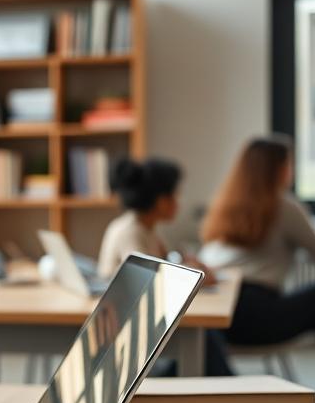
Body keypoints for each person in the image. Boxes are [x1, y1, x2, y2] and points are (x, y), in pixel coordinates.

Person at [199, 135, 315, 391]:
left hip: (220, 315)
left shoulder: (228, 203)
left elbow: (300, 250)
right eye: (289, 164)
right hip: (255, 314)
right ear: (279, 169)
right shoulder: (282, 206)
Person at [99, 156, 232, 376]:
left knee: (208, 338)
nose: (179, 202)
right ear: (161, 200)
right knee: (205, 339)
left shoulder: (145, 228)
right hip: (127, 331)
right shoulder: (132, 232)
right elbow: (151, 286)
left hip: (141, 321)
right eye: (176, 195)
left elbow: (169, 263)